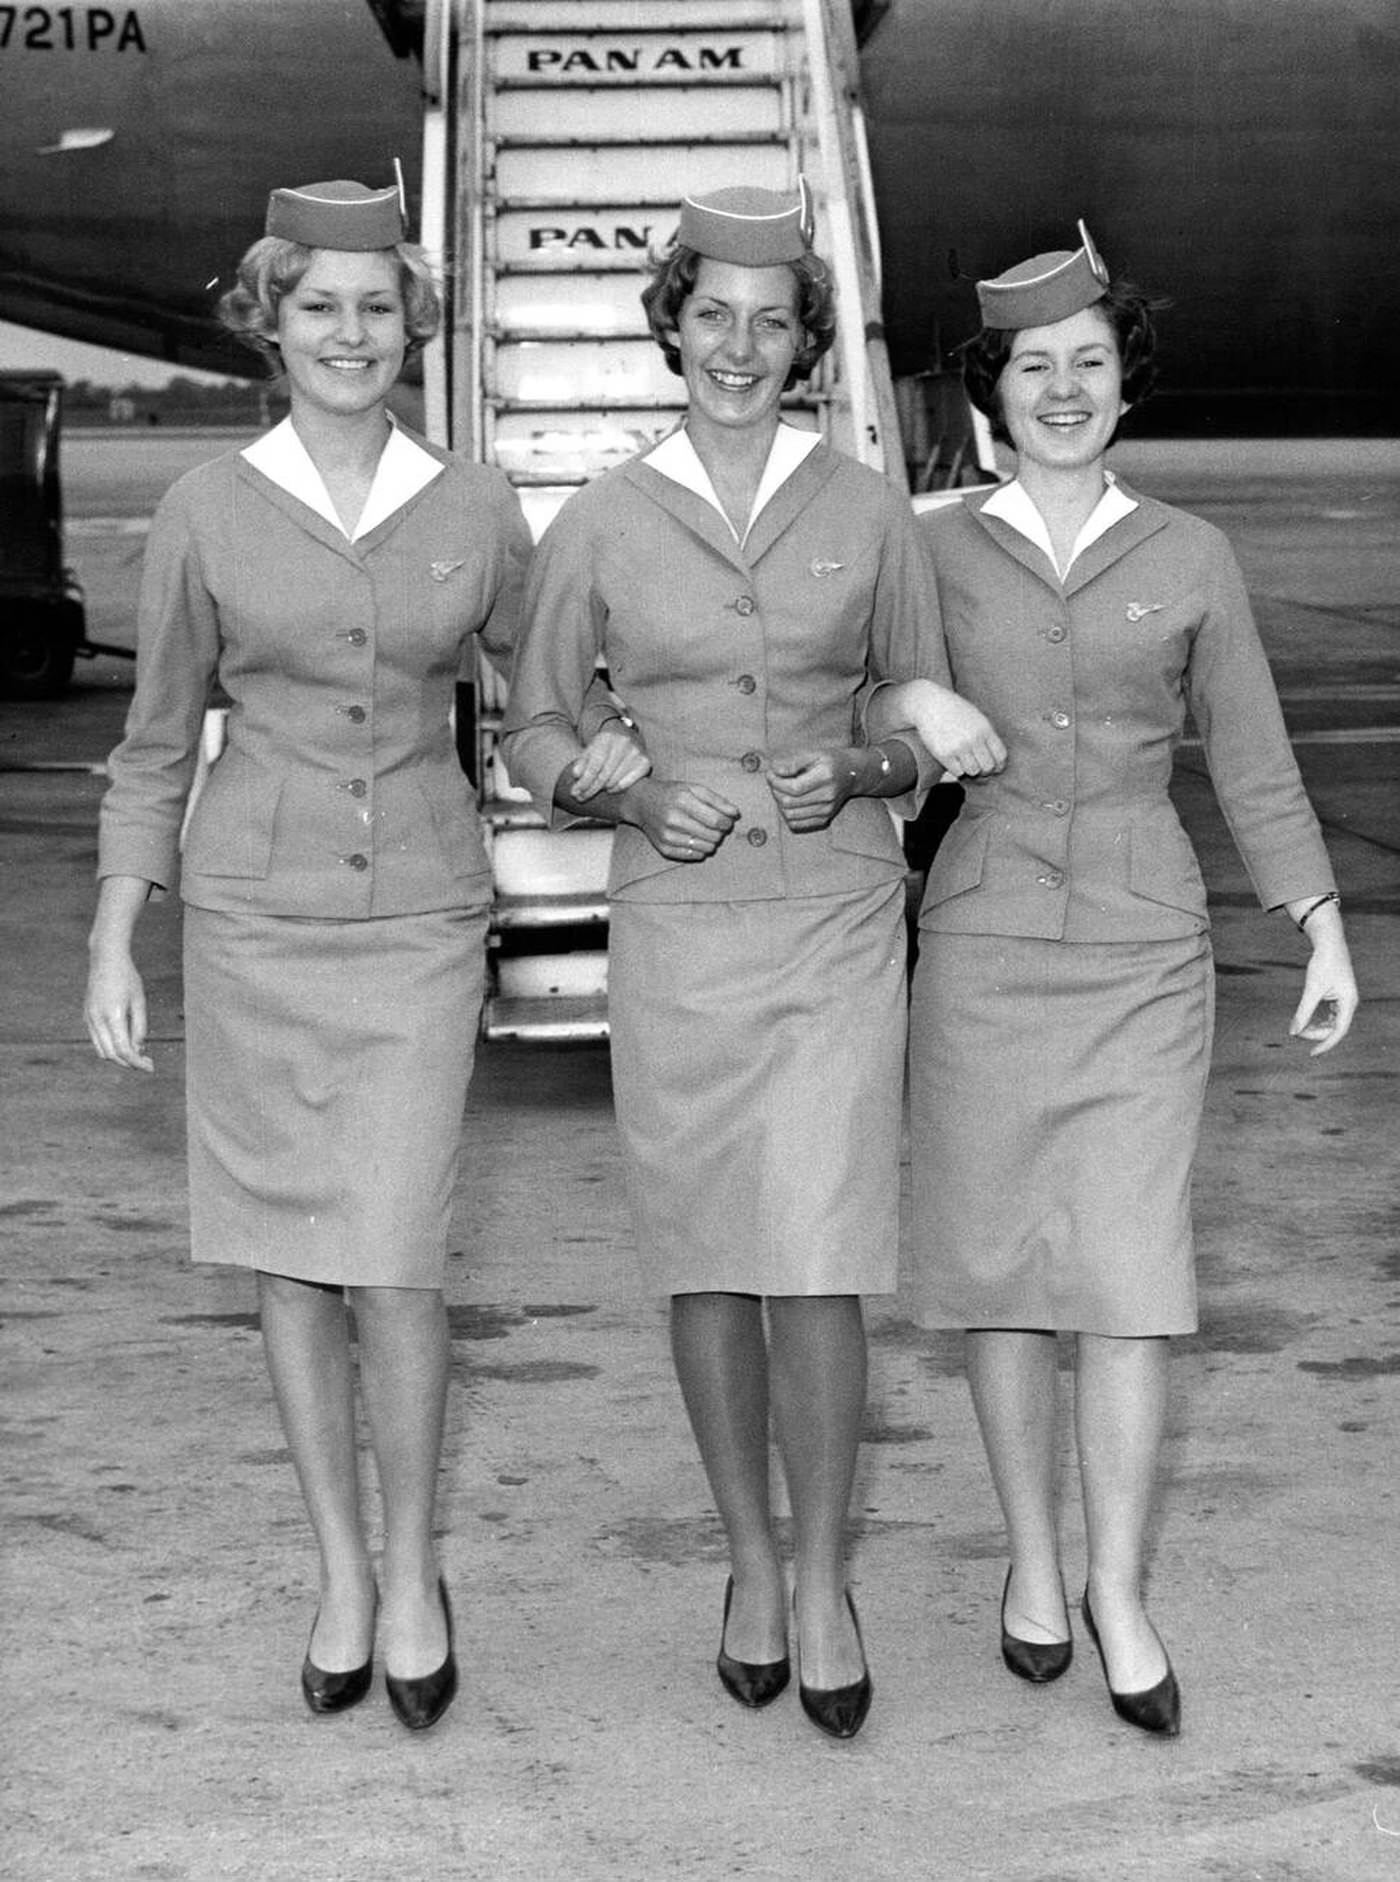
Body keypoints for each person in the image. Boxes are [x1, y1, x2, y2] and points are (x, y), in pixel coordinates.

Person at [83, 177, 640, 1730]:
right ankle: (340, 1567)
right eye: (317, 304)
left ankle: (411, 1567)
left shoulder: (472, 503)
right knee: (288, 1264)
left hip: (415, 918)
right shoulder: (205, 507)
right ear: (270, 320)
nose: (349, 332)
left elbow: (545, 692)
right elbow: (151, 742)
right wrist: (120, 929)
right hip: (254, 918)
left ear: (416, 325)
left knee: (393, 1257)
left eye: (377, 306)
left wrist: (628, 758)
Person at [500, 183, 1003, 1739]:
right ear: (670, 324)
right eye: (710, 313)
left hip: (840, 915)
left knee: (822, 1254)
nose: (738, 344)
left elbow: (925, 710)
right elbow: (530, 725)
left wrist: (864, 772)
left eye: (770, 319)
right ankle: (745, 1560)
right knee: (708, 1250)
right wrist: (635, 791)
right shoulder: (598, 515)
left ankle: (829, 1574)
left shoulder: (864, 508)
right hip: (679, 916)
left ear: (805, 342)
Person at [869, 223, 1359, 1735]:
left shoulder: (1190, 553)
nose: (1064, 389)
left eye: (1089, 364)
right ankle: (1031, 1560)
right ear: (990, 395)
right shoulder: (933, 545)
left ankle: (1120, 1588)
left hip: (1148, 950)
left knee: (1134, 1286)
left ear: (1122, 386)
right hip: (986, 936)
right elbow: (858, 682)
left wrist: (1319, 916)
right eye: (1036, 368)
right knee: (1002, 1274)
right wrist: (911, 687)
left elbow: (1255, 753)